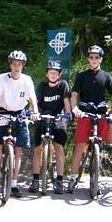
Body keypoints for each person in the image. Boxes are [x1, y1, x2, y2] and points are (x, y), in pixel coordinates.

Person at [0, 50, 39, 198]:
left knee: (18, 152)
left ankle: (14, 184)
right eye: (14, 64)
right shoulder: (3, 78)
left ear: (23, 66)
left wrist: (35, 111)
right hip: (3, 112)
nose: (16, 67)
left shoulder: (26, 80)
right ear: (10, 65)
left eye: (19, 64)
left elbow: (32, 97)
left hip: (20, 113)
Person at [66, 45, 112, 193]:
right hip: (84, 113)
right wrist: (75, 108)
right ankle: (72, 178)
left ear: (101, 59)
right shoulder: (81, 75)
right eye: (91, 57)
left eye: (97, 57)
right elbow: (75, 94)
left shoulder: (106, 76)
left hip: (101, 113)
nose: (94, 60)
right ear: (88, 59)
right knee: (80, 146)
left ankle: (105, 161)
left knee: (103, 139)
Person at [28, 60, 72, 195]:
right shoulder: (42, 86)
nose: (53, 75)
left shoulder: (63, 85)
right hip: (43, 117)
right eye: (50, 73)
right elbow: (34, 102)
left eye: (55, 73)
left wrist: (68, 114)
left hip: (58, 117)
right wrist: (32, 113)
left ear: (59, 74)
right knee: (37, 149)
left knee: (59, 149)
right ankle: (35, 180)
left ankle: (59, 181)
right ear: (47, 74)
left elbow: (66, 101)